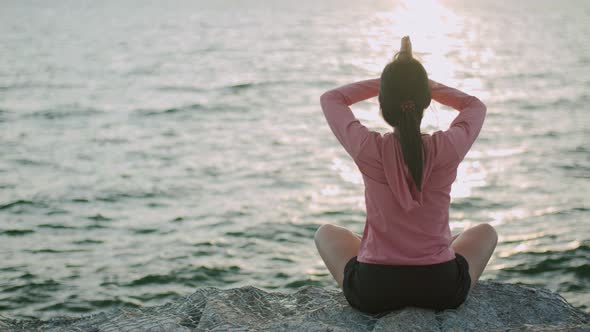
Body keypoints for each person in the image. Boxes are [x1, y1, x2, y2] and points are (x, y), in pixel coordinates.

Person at [314, 36, 498, 314]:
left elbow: (332, 98)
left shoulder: (368, 148)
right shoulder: (447, 148)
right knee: (485, 232)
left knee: (325, 233)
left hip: (374, 290)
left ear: (383, 103)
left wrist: (392, 80)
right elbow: (474, 106)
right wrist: (417, 81)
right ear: (424, 101)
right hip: (440, 287)